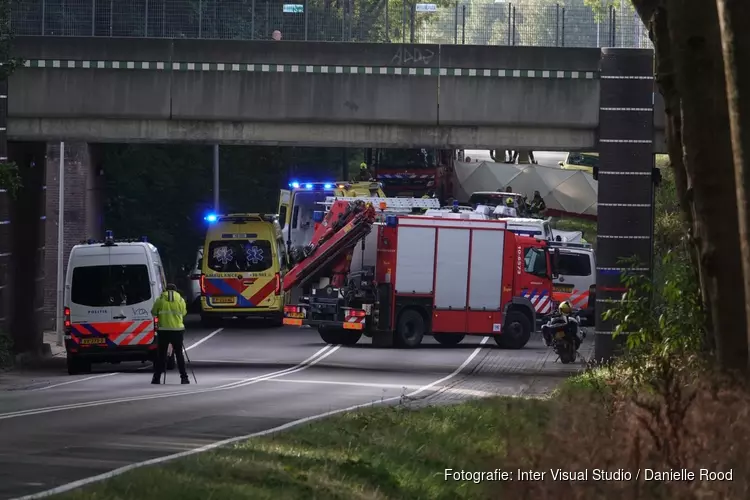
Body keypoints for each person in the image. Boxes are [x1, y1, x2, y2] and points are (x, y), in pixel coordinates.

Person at [151, 284, 189, 385]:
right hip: (177, 330)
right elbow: (184, 313)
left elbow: (153, 312)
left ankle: (157, 378)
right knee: (179, 354)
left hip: (163, 331)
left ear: (166, 290)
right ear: (176, 290)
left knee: (161, 355)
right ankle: (184, 377)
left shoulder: (160, 299)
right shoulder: (180, 300)